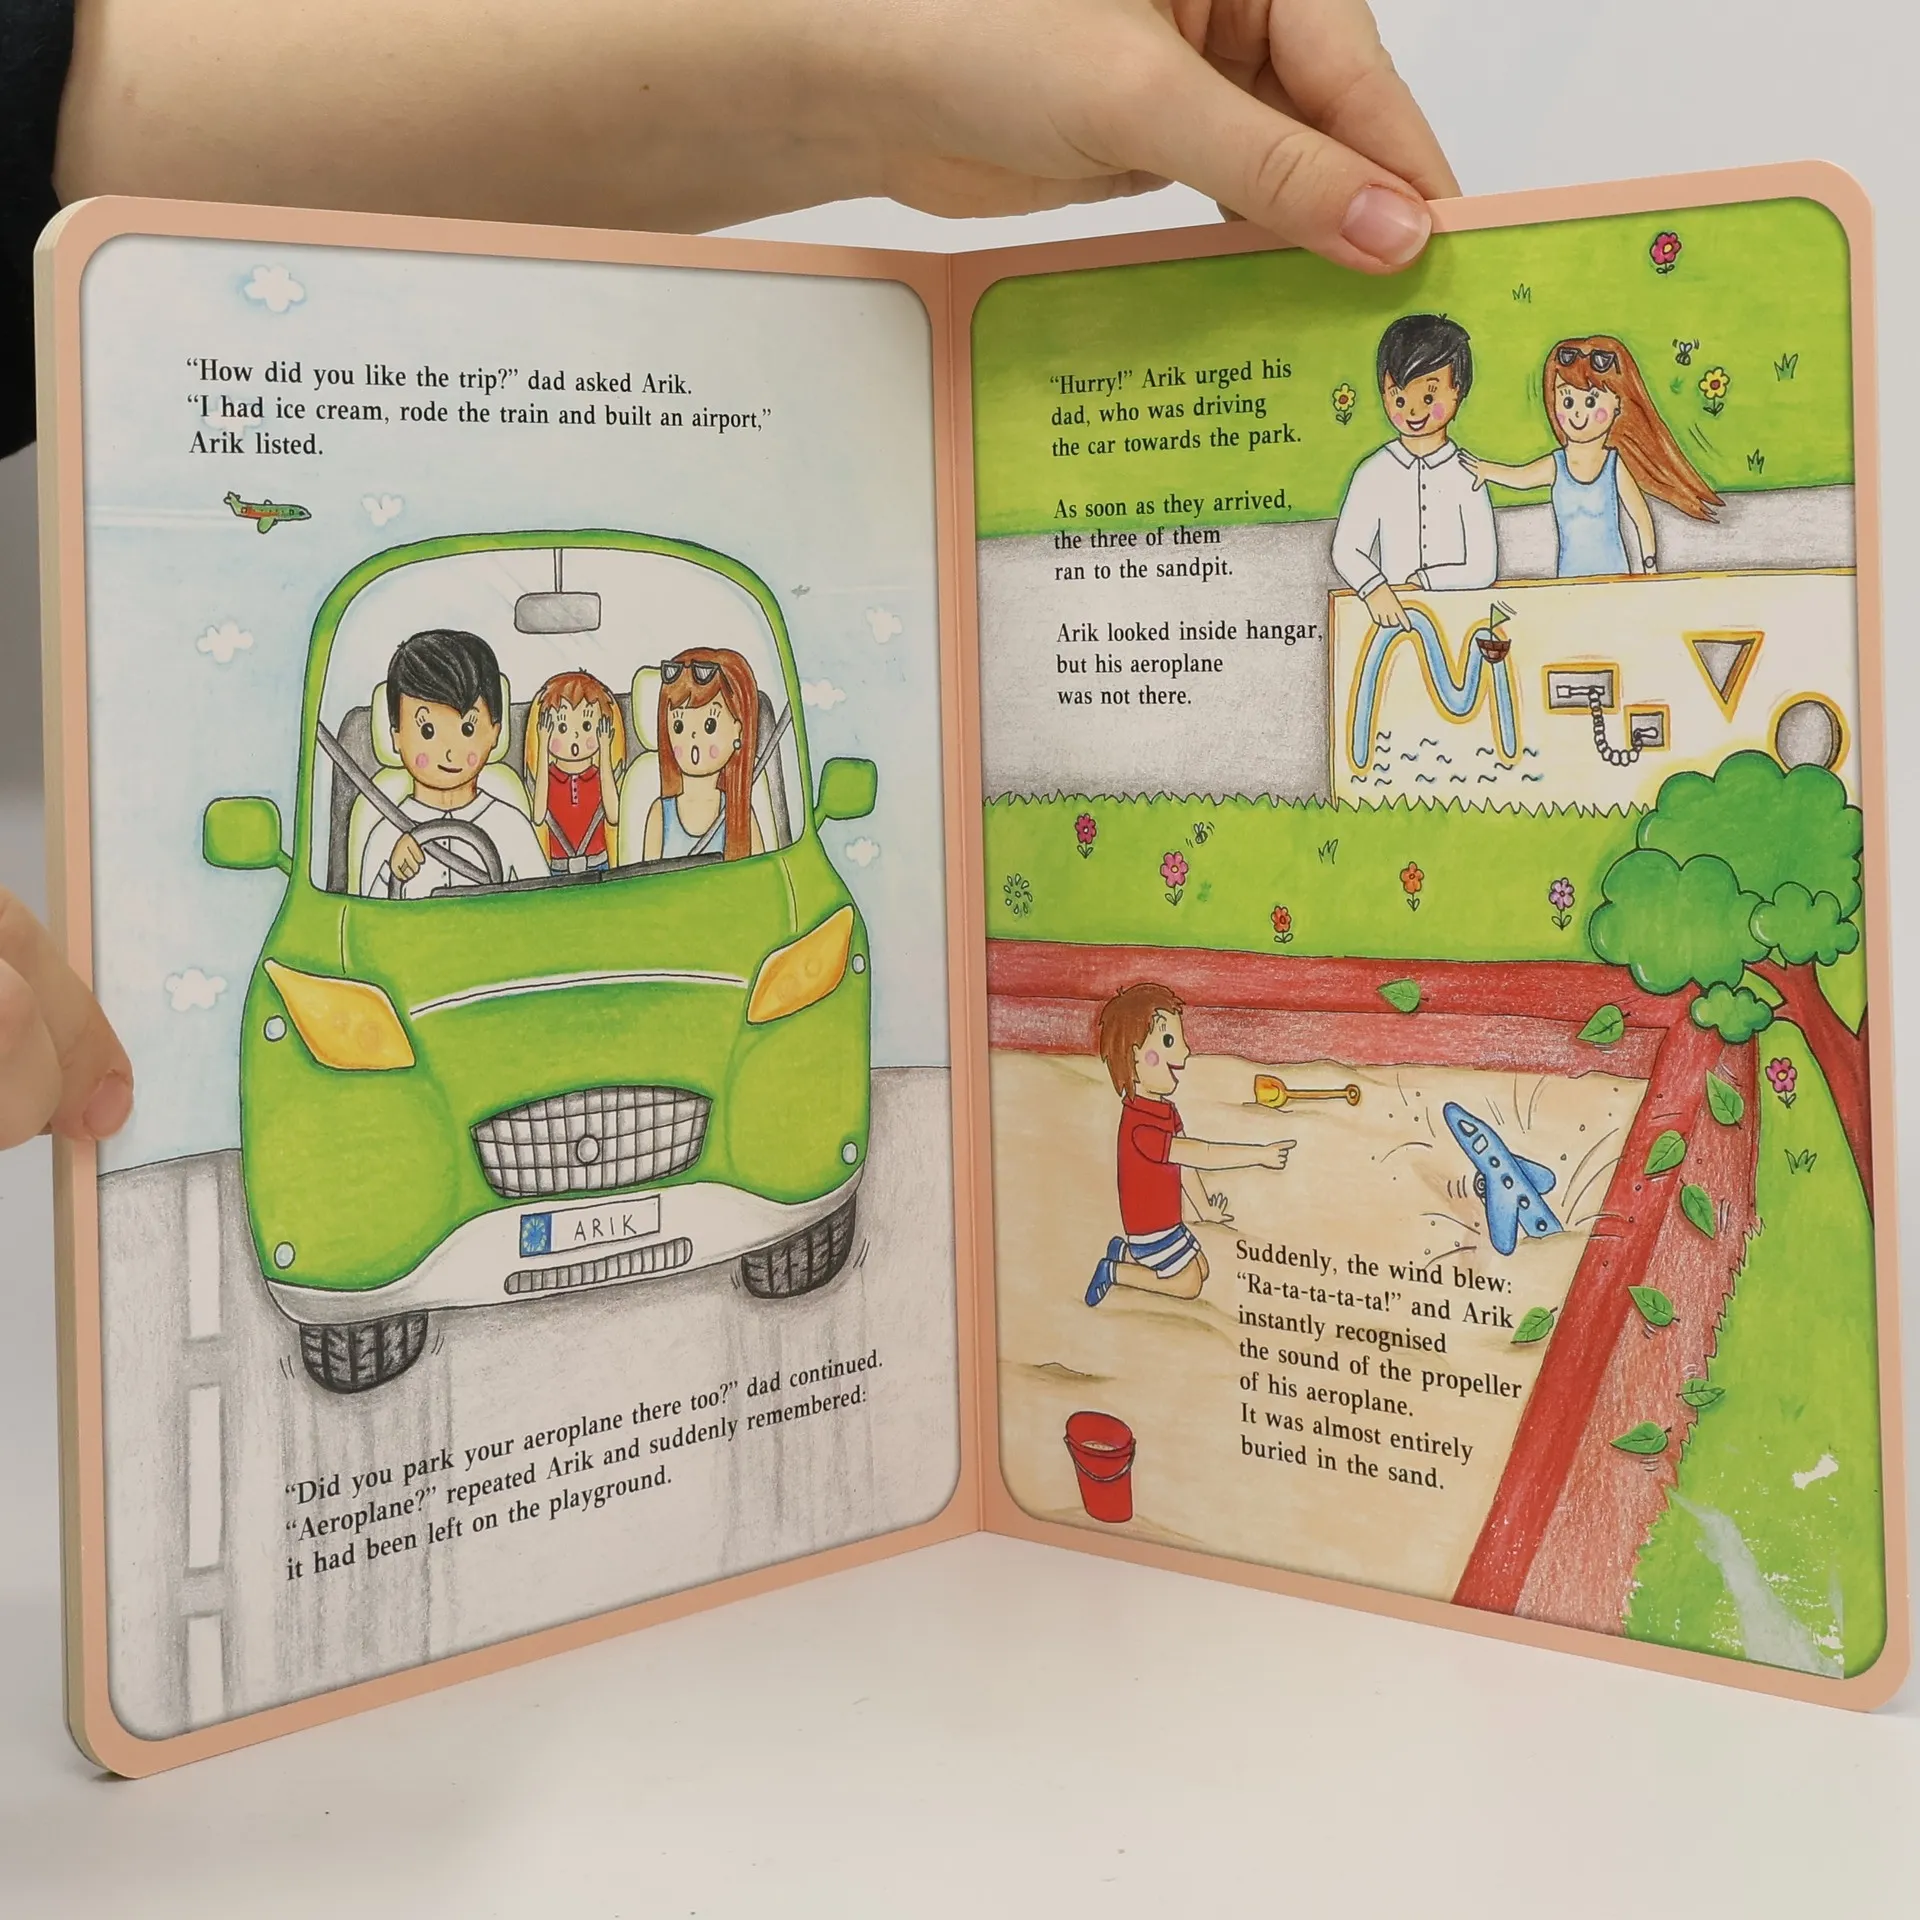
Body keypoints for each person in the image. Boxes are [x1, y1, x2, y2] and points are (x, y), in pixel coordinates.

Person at [1, 0, 1457, 1149]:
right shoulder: (459, 819)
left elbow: (56, 97)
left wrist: (866, 69)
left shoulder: (638, 809)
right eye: (424, 729)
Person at [1085, 983, 1292, 1306]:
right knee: (1189, 1283)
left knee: (1202, 1268)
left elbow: (1184, 1165)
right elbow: (1202, 1153)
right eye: (1169, 1042)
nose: (1184, 1052)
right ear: (1135, 1054)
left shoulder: (1165, 1110)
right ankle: (1114, 1271)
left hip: (1170, 1225)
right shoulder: (1140, 1126)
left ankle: (1122, 1253)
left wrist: (1205, 1209)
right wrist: (1259, 1155)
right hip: (1150, 1231)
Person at [1464, 334, 1720, 577]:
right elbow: (1521, 477)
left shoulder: (1613, 466)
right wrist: (1486, 470)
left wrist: (1650, 567)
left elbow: (1641, 517)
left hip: (1614, 578)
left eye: (1591, 402)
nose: (1577, 414)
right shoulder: (1556, 465)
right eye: (1567, 401)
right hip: (1568, 582)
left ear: (1618, 404)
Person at [1331, 311, 1497, 633]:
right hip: (1390, 620)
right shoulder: (1373, 472)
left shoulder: (1468, 474)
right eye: (1399, 397)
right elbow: (1347, 548)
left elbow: (1483, 567)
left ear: (1457, 391)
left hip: (1458, 620)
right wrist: (1374, 587)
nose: (1413, 411)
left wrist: (1426, 580)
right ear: (1384, 393)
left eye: (1429, 397)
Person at [358, 629, 549, 898]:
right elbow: (366, 915)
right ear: (396, 737)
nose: (449, 752)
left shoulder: (511, 825)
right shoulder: (385, 835)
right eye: (427, 731)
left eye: (467, 729)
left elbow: (544, 907)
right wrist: (390, 874)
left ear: (495, 732)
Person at [643, 648, 766, 863]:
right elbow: (646, 881)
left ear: (738, 731)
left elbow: (761, 876)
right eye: (679, 726)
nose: (692, 736)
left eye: (710, 725)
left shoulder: (741, 817)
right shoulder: (659, 814)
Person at [525, 669, 625, 874]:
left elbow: (614, 816)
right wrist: (543, 746)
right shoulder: (548, 777)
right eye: (562, 727)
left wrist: (604, 750)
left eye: (587, 725)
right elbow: (538, 816)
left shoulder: (600, 776)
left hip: (599, 864)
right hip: (559, 868)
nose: (575, 736)